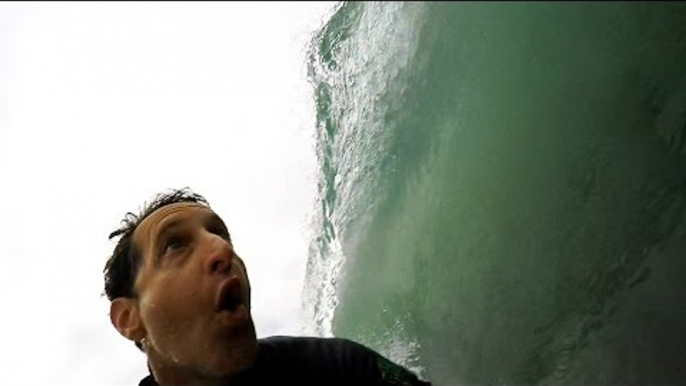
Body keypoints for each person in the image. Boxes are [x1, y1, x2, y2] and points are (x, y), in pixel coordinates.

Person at [104, 188, 432, 386]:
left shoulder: (337, 370)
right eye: (174, 245)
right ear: (129, 318)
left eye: (219, 235)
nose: (222, 250)